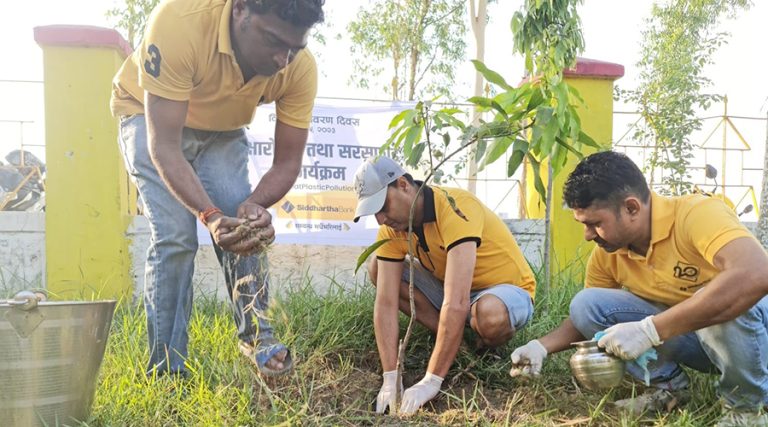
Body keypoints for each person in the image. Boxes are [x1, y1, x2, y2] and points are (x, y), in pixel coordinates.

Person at [110, 0, 325, 377]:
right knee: (176, 236)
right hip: (149, 119)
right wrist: (208, 216)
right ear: (241, 10)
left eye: (294, 47)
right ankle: (167, 369)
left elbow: (287, 163)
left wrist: (253, 206)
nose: (282, 59)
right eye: (273, 40)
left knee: (246, 229)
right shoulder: (180, 23)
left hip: (222, 131)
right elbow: (164, 148)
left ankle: (259, 339)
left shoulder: (298, 68)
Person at [509, 151, 768, 426]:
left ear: (632, 208)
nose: (587, 235)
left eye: (596, 224)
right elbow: (586, 318)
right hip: (701, 340)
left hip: (756, 338)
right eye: (583, 224)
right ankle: (669, 389)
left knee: (722, 293)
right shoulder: (608, 253)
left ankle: (748, 410)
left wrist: (650, 330)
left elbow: (756, 274)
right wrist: (541, 346)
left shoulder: (697, 214)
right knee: (588, 303)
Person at [352, 156, 536, 415]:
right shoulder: (392, 229)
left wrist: (431, 381)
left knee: (489, 315)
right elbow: (385, 302)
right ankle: (458, 340)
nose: (381, 219)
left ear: (403, 185)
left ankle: (486, 343)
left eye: (383, 206)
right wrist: (390, 376)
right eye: (374, 213)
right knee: (377, 267)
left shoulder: (455, 207)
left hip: (503, 291)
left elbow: (457, 300)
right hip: (452, 291)